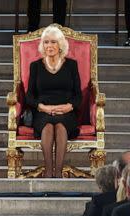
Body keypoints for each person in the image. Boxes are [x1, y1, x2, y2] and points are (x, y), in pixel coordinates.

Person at [25, 24, 81, 178]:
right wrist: (43, 107)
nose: (49, 45)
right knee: (48, 127)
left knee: (61, 127)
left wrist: (68, 107)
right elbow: (29, 96)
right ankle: (49, 172)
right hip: (43, 112)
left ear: (60, 45)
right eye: (46, 42)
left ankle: (58, 173)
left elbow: (78, 96)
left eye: (53, 42)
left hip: (66, 112)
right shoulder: (35, 66)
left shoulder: (71, 65)